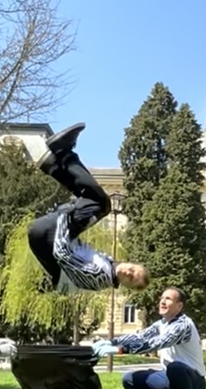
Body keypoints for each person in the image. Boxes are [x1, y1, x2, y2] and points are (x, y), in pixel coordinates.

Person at [22, 122, 148, 293]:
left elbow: (63, 254)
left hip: (45, 237)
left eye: (131, 278)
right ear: (132, 263)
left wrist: (65, 217)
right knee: (95, 202)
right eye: (133, 270)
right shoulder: (106, 264)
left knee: (101, 204)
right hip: (46, 239)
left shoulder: (99, 276)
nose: (128, 272)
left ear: (127, 286)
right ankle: (53, 164)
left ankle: (61, 153)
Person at [95, 288, 206, 389]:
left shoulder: (183, 325)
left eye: (168, 299)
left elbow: (156, 343)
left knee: (175, 368)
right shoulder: (161, 324)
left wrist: (120, 350)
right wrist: (111, 342)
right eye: (162, 298)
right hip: (171, 377)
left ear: (179, 306)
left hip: (194, 382)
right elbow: (140, 336)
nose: (163, 302)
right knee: (129, 379)